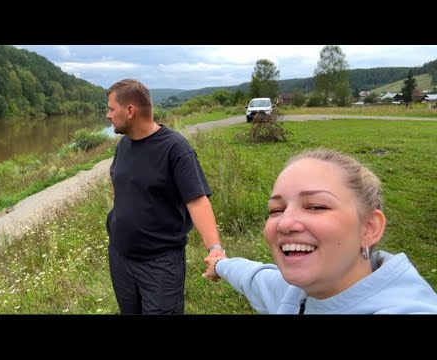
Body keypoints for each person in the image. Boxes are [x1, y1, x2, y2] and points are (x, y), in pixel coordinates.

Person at [203, 149, 437, 314]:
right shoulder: (294, 294)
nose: (284, 223)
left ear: (369, 228)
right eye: (276, 210)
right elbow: (251, 276)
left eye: (316, 206)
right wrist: (220, 265)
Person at [105, 79, 224, 314]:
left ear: (130, 111)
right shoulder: (123, 146)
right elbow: (119, 185)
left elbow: (197, 200)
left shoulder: (175, 148)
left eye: (110, 109)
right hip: (120, 256)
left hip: (160, 264)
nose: (108, 115)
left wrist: (215, 247)